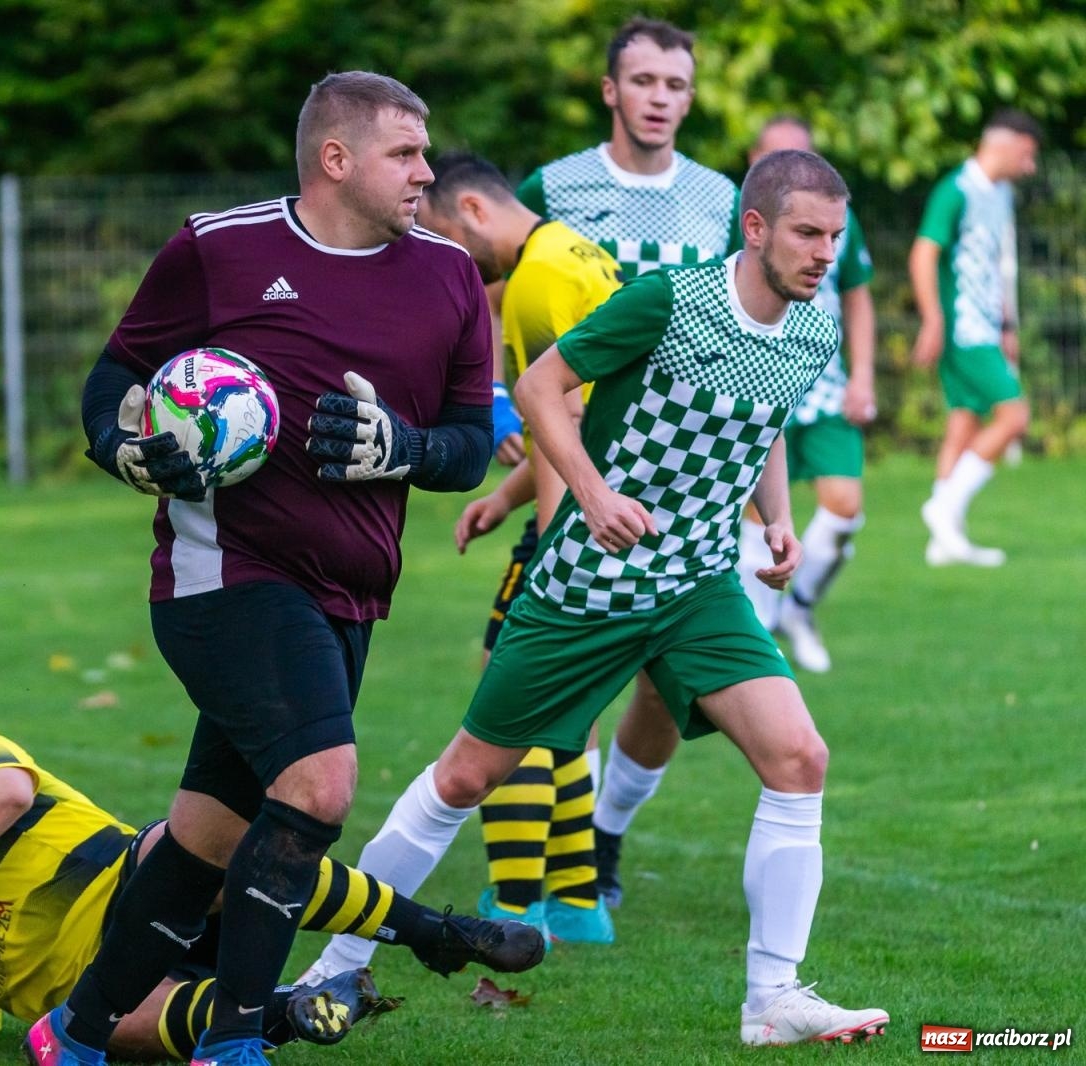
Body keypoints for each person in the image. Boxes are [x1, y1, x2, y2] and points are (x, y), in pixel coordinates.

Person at [310, 149, 891, 1046]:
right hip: (589, 585)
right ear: (756, 228)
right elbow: (542, 385)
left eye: (835, 237)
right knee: (465, 776)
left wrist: (775, 519)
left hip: (698, 583)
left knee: (799, 757)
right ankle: (335, 964)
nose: (824, 253)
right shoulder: (669, 301)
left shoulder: (812, 330)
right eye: (808, 234)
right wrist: (589, 492)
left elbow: (763, 423)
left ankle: (772, 1000)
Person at [32, 71, 518, 1066]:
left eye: (425, 153)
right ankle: (235, 1041)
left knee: (208, 836)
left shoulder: (448, 279)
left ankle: (73, 1034)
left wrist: (399, 446)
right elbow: (113, 383)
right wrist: (126, 446)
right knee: (321, 784)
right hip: (225, 577)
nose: (427, 172)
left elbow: (471, 442)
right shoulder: (220, 248)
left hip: (351, 595)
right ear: (335, 159)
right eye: (404, 153)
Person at [0, 711, 544, 1059]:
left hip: (152, 893)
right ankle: (292, 1015)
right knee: (76, 1027)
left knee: (201, 849)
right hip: (111, 992)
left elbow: (11, 796)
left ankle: (437, 935)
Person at [512, 16, 743, 918]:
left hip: (688, 468)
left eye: (675, 85)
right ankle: (558, 872)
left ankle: (605, 830)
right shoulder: (555, 186)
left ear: (689, 96)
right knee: (573, 654)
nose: (659, 99)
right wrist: (503, 409)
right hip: (574, 455)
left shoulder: (724, 200)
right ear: (611, 90)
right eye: (642, 81)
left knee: (666, 677)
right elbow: (501, 292)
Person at [411, 150, 623, 946]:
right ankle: (579, 905)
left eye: (441, 234)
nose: (450, 259)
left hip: (582, 526)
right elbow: (585, 411)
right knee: (568, 712)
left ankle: (512, 903)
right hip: (616, 509)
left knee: (512, 701)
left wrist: (550, 553)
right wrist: (504, 499)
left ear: (470, 209)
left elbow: (561, 425)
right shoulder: (572, 249)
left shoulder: (533, 284)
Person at [733, 116, 877, 673]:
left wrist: (863, 374)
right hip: (759, 378)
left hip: (826, 382)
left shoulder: (838, 218)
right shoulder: (740, 217)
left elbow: (858, 295)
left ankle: (799, 608)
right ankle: (759, 633)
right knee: (757, 515)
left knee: (844, 508)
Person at [911, 109, 1041, 567]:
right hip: (964, 330)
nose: (1031, 167)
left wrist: (1007, 326)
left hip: (986, 328)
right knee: (1014, 416)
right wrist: (932, 319)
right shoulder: (956, 190)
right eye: (1027, 155)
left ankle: (943, 542)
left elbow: (991, 267)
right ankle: (942, 510)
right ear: (1003, 145)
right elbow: (924, 254)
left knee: (963, 424)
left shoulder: (999, 194)